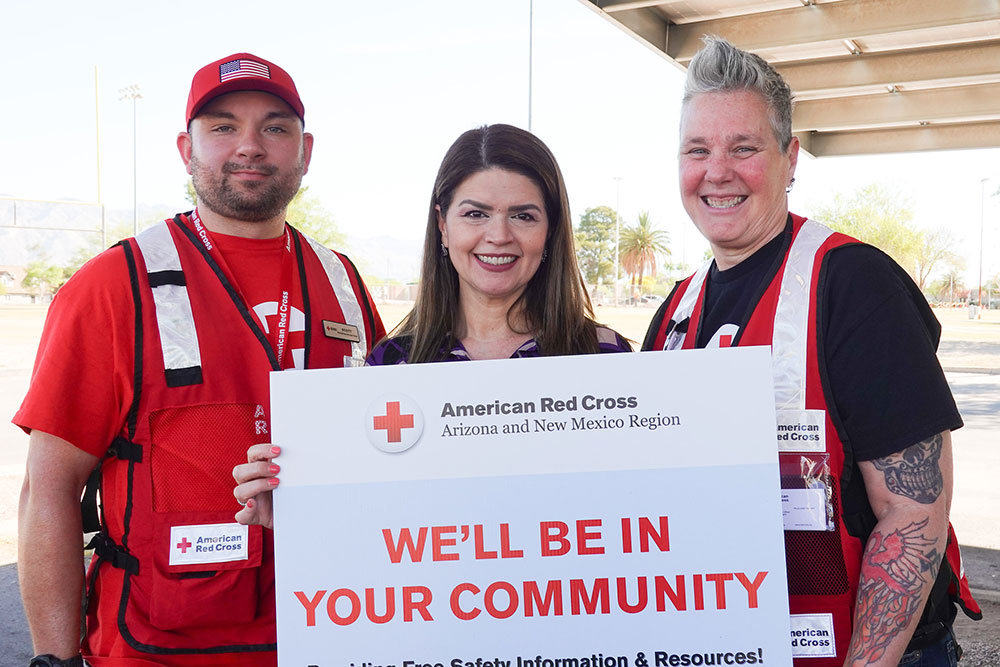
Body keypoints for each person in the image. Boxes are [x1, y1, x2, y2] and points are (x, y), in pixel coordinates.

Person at [15, 52, 384, 666]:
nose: (250, 146)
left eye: (274, 126)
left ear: (305, 149)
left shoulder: (340, 278)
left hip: (328, 634)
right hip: (156, 648)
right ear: (186, 148)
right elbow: (49, 490)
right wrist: (54, 660)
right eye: (222, 126)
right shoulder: (113, 285)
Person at [642, 36, 980, 667]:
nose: (717, 171)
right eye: (698, 150)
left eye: (744, 148)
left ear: (790, 159)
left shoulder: (853, 284)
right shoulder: (673, 314)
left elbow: (915, 512)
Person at [233, 123, 631, 527]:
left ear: (550, 230)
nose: (498, 235)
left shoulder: (603, 357)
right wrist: (294, 509)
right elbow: (366, 522)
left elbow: (638, 508)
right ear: (443, 223)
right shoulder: (391, 368)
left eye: (523, 216)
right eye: (475, 214)